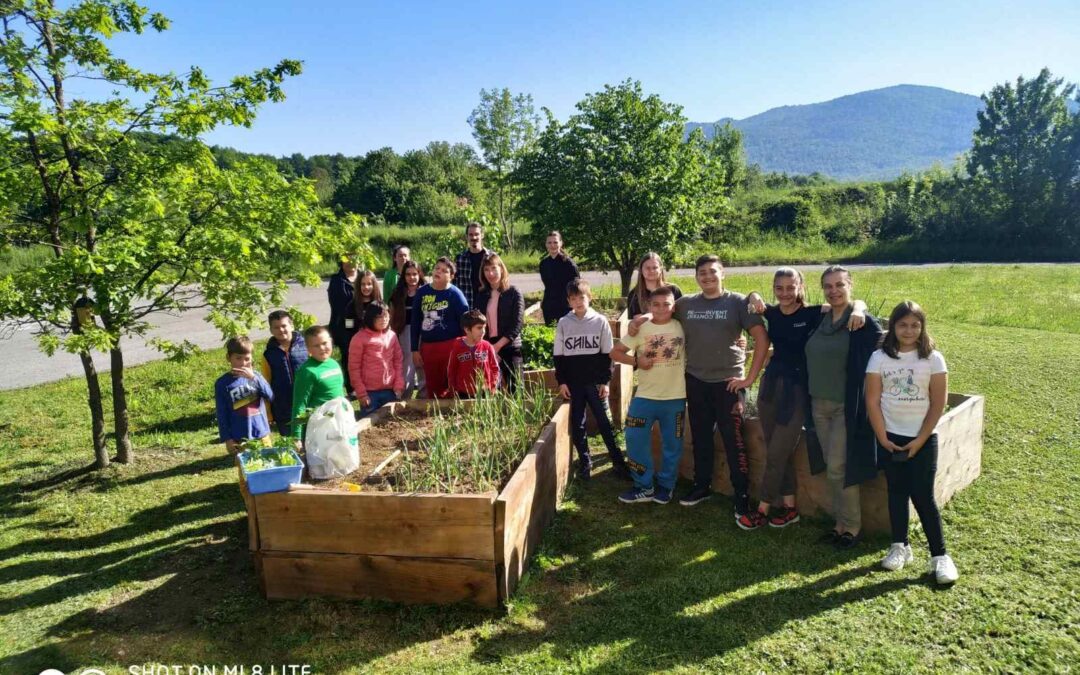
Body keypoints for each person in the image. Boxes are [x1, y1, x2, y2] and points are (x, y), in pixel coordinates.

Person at [629, 254, 770, 517]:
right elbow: (663, 310)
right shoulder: (687, 304)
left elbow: (761, 339)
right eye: (702, 273)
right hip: (695, 381)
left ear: (722, 274)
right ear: (696, 277)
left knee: (733, 440)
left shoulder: (738, 302)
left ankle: (741, 495)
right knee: (701, 437)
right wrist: (639, 319)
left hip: (728, 383)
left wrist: (749, 379)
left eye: (712, 272)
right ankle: (701, 485)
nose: (707, 277)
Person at [739, 269, 866, 530]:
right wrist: (753, 294)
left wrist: (860, 309)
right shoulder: (771, 313)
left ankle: (762, 509)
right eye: (779, 288)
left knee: (776, 452)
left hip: (797, 391)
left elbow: (850, 303)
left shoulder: (813, 313)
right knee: (776, 447)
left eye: (790, 287)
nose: (784, 293)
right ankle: (789, 507)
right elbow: (746, 301)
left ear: (800, 287)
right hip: (770, 387)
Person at [866, 300, 958, 584]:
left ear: (922, 327)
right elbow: (872, 399)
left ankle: (940, 557)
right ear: (893, 326)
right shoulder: (879, 357)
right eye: (903, 324)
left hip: (922, 438)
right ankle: (900, 546)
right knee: (896, 491)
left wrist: (919, 440)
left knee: (923, 497)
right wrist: (882, 436)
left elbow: (938, 403)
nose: (909, 330)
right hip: (890, 437)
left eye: (915, 325)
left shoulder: (933, 359)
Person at [804, 265, 884, 549]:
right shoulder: (821, 318)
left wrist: (860, 309)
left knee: (838, 467)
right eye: (828, 286)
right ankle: (839, 523)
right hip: (817, 405)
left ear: (850, 285)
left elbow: (887, 347)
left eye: (840, 285)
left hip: (844, 407)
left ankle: (851, 526)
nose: (834, 290)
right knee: (831, 466)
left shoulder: (860, 322)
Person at [610, 286, 686, 504]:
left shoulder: (682, 326)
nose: (661, 308)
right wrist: (636, 361)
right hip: (644, 397)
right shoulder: (641, 329)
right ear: (649, 307)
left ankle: (666, 486)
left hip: (675, 398)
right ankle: (643, 485)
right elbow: (615, 352)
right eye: (656, 304)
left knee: (673, 446)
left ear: (674, 307)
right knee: (634, 440)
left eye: (667, 304)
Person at [554, 279, 630, 481]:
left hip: (595, 384)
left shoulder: (600, 321)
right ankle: (585, 462)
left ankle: (617, 461)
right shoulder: (563, 323)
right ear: (568, 301)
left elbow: (608, 355)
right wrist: (562, 381)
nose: (578, 302)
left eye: (581, 297)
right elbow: (559, 357)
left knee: (605, 422)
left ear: (589, 298)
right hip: (574, 384)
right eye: (573, 299)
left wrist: (605, 381)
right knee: (578, 424)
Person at [411, 257, 469, 399]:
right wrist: (414, 349)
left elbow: (466, 323)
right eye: (437, 268)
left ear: (451, 276)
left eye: (444, 271)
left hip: (451, 346)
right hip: (428, 348)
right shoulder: (422, 293)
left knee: (452, 384)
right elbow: (415, 322)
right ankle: (435, 418)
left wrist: (465, 347)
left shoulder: (456, 294)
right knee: (432, 386)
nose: (439, 272)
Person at [215, 336, 274, 455]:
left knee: (267, 463)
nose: (243, 363)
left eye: (247, 359)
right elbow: (222, 413)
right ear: (229, 358)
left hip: (261, 432)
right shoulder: (222, 383)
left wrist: (254, 379)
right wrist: (227, 438)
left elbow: (270, 395)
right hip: (239, 437)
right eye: (238, 358)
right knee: (246, 469)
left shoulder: (256, 376)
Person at [476, 253, 525, 391]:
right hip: (488, 347)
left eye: (493, 268)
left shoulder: (514, 292)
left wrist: (497, 346)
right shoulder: (481, 295)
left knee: (516, 390)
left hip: (510, 346)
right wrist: (489, 347)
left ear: (501, 269)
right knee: (490, 391)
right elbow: (478, 323)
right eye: (486, 270)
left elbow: (517, 324)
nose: (490, 273)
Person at [348, 301, 404, 417]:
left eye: (386, 316)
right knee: (369, 426)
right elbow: (354, 368)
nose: (384, 319)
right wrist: (361, 393)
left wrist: (398, 384)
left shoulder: (392, 336)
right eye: (379, 317)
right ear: (370, 318)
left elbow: (398, 361)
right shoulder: (359, 338)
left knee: (391, 422)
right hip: (369, 393)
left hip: (390, 390)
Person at [291, 325, 346, 441]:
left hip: (337, 421)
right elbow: (299, 405)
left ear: (331, 342)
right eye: (316, 346)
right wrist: (296, 436)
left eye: (325, 343)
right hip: (319, 426)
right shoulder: (307, 371)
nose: (322, 348)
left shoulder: (333, 364)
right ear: (308, 349)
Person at [259, 310, 309, 437]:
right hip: (283, 408)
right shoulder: (268, 355)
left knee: (312, 439)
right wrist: (269, 413)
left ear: (291, 326)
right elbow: (266, 385)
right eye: (276, 327)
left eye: (284, 326)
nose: (281, 330)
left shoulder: (307, 347)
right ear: (271, 330)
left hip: (307, 402)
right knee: (291, 442)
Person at [389, 260, 426, 398]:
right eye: (408, 274)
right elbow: (392, 314)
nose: (412, 277)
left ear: (419, 274)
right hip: (405, 331)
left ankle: (424, 394)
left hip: (423, 331)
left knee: (422, 363)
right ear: (403, 276)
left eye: (415, 274)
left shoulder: (426, 291)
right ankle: (405, 395)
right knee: (407, 364)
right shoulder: (398, 293)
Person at [448, 309, 501, 397]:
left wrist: (493, 386)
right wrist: (453, 391)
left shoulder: (487, 346)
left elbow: (495, 369)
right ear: (467, 329)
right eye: (479, 328)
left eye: (484, 327)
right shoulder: (457, 347)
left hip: (485, 393)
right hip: (463, 393)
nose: (483, 331)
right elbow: (452, 371)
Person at [327, 256, 358, 395]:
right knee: (348, 355)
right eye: (347, 259)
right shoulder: (336, 280)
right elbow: (338, 305)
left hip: (362, 323)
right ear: (341, 261)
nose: (351, 262)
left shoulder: (364, 276)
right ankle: (352, 388)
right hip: (344, 326)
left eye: (354, 258)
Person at [539, 231, 579, 324]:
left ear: (561, 243)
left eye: (555, 242)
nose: (552, 245)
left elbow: (576, 285)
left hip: (565, 306)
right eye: (549, 242)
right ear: (546, 244)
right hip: (549, 305)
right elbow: (547, 286)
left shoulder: (568, 263)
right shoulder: (543, 264)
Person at [627, 252, 683, 319]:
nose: (651, 271)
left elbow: (682, 316)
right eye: (647, 268)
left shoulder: (673, 290)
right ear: (641, 270)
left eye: (655, 267)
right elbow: (632, 322)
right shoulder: (634, 294)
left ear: (661, 269)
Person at [455, 221, 496, 309]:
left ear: (482, 235)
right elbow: (454, 284)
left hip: (489, 304)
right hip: (466, 306)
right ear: (467, 237)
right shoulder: (460, 259)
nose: (474, 237)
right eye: (471, 234)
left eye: (477, 234)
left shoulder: (492, 257)